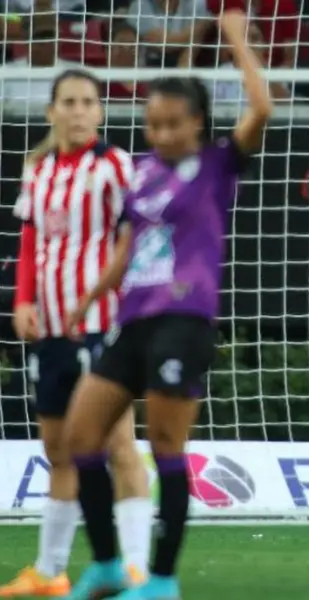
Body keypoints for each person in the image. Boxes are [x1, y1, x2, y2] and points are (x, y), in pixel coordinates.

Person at [61, 9, 273, 600]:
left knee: (166, 446)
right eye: (153, 124)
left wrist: (232, 35)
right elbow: (128, 249)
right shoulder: (144, 174)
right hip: (133, 323)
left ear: (199, 123)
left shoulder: (218, 165)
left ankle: (161, 580)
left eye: (173, 124)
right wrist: (89, 301)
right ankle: (106, 565)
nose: (162, 134)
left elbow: (262, 108)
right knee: (82, 436)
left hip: (185, 323)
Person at [0, 68, 153, 600]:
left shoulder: (114, 166)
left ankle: (136, 570)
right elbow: (29, 242)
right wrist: (21, 300)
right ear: (52, 111)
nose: (80, 110)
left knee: (118, 444)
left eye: (89, 101)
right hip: (51, 330)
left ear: (100, 111)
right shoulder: (37, 170)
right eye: (69, 101)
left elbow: (136, 237)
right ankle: (50, 572)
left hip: (103, 328)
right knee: (58, 450)